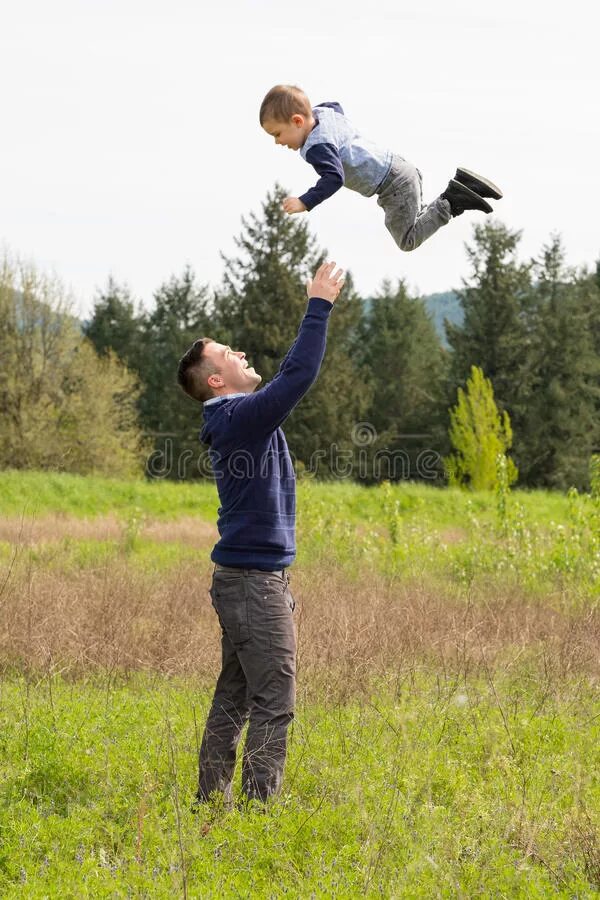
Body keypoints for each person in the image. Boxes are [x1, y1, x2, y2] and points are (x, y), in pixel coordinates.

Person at [177, 261, 344, 806]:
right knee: (275, 699)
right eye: (228, 353)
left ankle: (210, 802)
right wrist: (318, 306)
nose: (240, 352)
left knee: (237, 695)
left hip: (247, 579)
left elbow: (282, 386)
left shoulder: (238, 418)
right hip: (252, 583)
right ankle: (256, 815)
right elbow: (295, 378)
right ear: (216, 380)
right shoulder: (237, 418)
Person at [259, 84, 503, 253]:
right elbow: (336, 106)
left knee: (408, 239)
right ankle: (465, 184)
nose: (278, 142)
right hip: (401, 167)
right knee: (416, 219)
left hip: (392, 187)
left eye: (277, 134)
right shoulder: (324, 113)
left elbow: (333, 178)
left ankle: (453, 201)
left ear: (298, 121)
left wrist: (305, 201)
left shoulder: (317, 148)